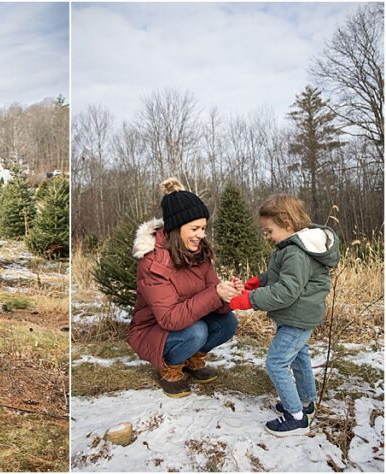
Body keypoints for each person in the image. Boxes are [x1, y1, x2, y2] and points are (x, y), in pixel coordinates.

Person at [228, 194, 339, 436]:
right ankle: (307, 403)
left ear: (287, 223)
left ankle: (296, 416)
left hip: (297, 317)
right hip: (298, 316)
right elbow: (281, 276)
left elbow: (287, 291)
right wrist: (257, 282)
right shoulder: (292, 247)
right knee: (299, 357)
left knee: (276, 363)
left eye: (269, 231)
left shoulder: (295, 252)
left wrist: (248, 300)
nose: (266, 236)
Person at [128, 178, 242, 398]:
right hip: (153, 330)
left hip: (188, 321)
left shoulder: (200, 254)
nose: (202, 234)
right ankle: (170, 366)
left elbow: (212, 298)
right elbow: (170, 319)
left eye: (204, 228)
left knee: (227, 322)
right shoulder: (153, 263)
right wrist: (214, 294)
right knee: (196, 332)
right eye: (195, 228)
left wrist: (226, 295)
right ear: (176, 228)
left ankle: (191, 358)